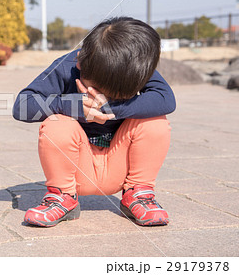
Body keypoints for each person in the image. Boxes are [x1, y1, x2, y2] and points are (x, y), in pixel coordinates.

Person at [12, 16, 176, 227]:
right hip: (78, 170)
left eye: (116, 95)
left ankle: (139, 194)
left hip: (122, 167)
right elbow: (22, 106)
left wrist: (111, 108)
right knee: (57, 124)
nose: (101, 97)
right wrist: (74, 106)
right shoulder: (67, 66)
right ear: (80, 62)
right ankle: (62, 197)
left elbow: (166, 99)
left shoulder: (131, 64)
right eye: (95, 91)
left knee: (155, 122)